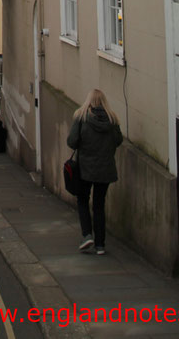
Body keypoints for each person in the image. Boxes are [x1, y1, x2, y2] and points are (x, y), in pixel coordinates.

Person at [66, 88, 123, 255]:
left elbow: (72, 142)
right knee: (99, 205)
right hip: (105, 170)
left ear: (88, 101)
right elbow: (118, 140)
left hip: (85, 169)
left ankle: (87, 235)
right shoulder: (113, 119)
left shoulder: (81, 117)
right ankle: (100, 245)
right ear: (104, 101)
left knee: (83, 200)